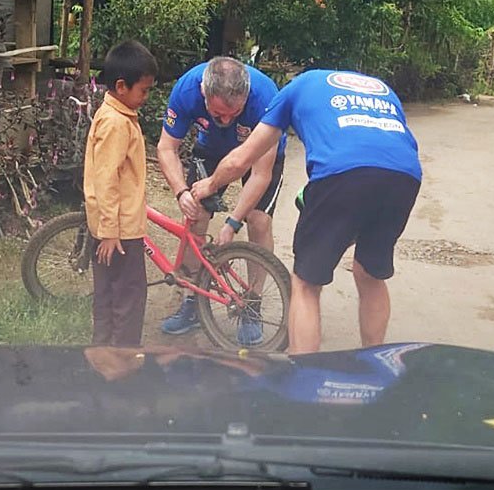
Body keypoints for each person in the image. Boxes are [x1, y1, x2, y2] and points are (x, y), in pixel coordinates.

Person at [191, 69, 421, 354]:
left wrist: (210, 184)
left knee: (306, 283)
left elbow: (242, 159)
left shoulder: (294, 89)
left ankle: (305, 377)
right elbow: (389, 146)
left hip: (340, 172)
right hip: (405, 176)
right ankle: (375, 364)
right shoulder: (380, 88)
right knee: (370, 273)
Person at [156, 57, 287, 345]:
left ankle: (252, 303)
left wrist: (232, 223)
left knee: (258, 220)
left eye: (234, 113)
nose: (226, 120)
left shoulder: (267, 97)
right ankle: (192, 299)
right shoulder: (187, 90)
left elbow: (261, 174)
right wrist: (181, 191)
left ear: (246, 97)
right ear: (204, 93)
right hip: (212, 149)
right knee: (196, 215)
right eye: (218, 114)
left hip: (259, 154)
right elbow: (167, 147)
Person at [83, 40, 158, 347]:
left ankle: (102, 354)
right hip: (119, 232)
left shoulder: (115, 114)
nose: (146, 96)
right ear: (121, 86)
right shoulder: (116, 123)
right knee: (128, 297)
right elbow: (106, 180)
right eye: (144, 90)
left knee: (108, 295)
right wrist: (111, 232)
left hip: (109, 227)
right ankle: (122, 362)